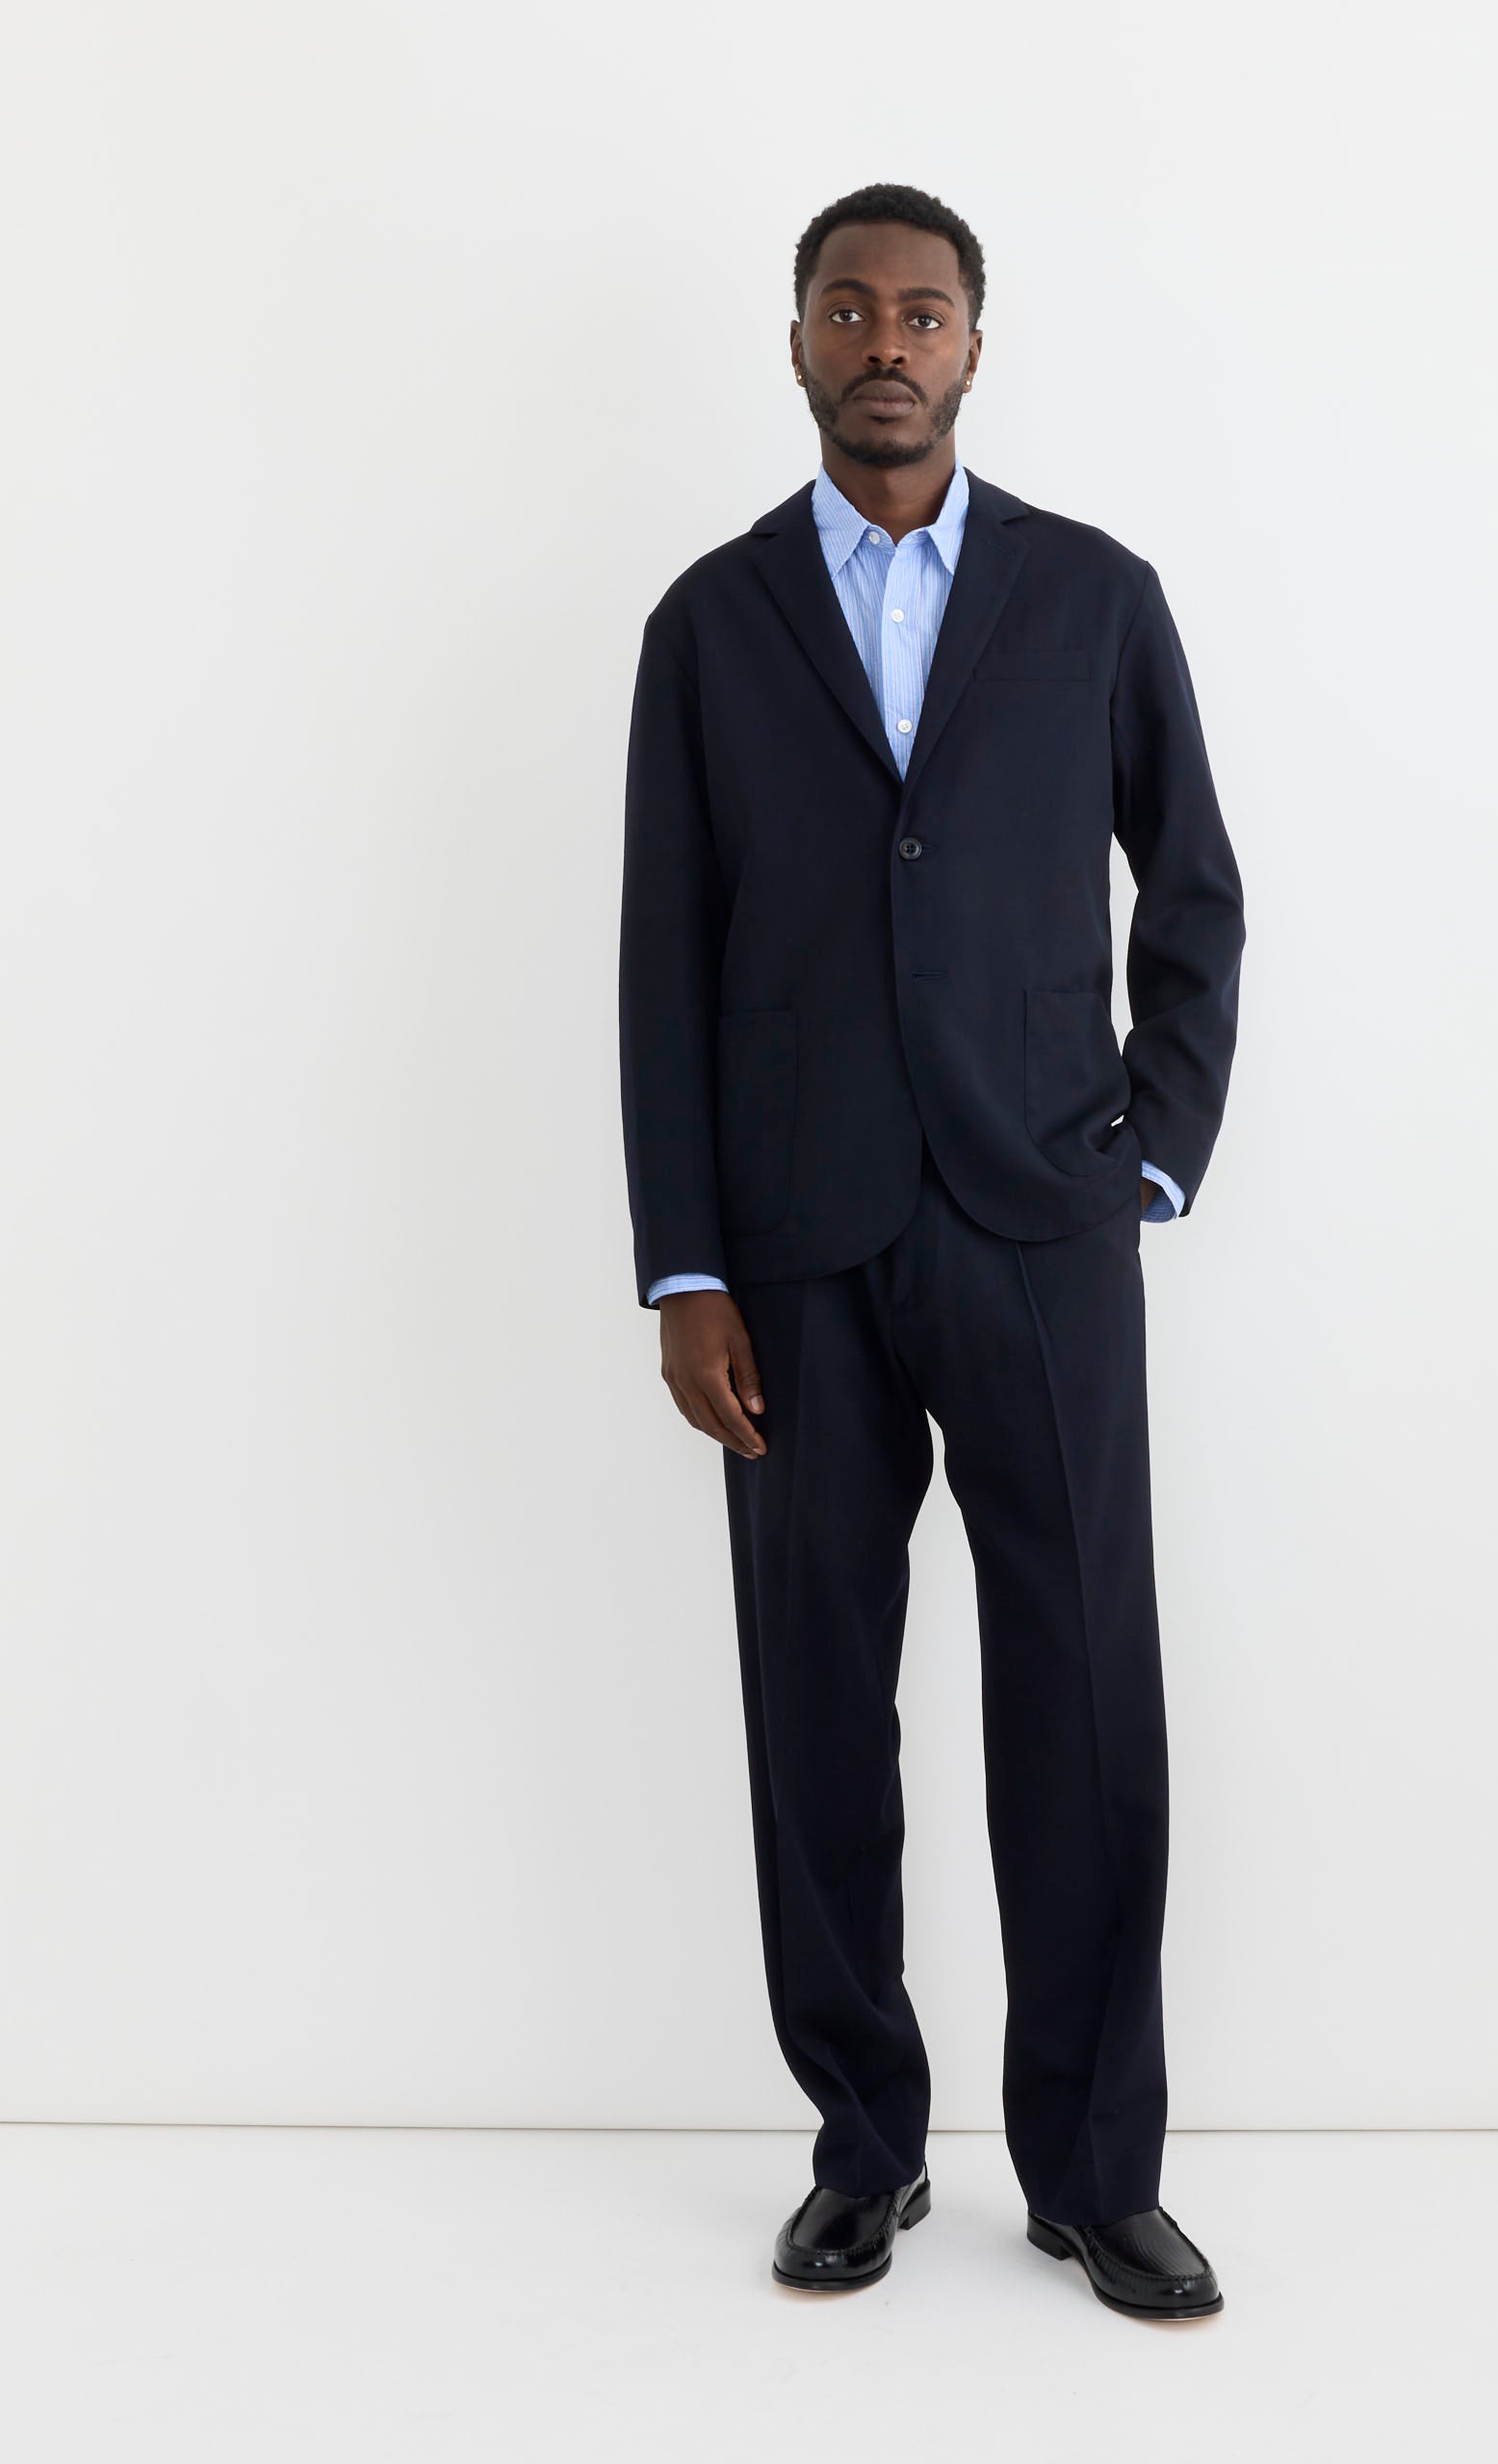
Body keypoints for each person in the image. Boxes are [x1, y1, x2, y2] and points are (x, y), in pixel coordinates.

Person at [617, 182, 1244, 2321]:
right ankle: (862, 2147)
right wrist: (681, 1263)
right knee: (814, 1707)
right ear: (795, 339)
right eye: (849, 307)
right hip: (791, 1253)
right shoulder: (707, 626)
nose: (887, 339)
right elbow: (661, 965)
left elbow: (1196, 892)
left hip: (1042, 1227)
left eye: (926, 311)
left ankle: (1092, 2166)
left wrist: (1145, 1156)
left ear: (977, 347)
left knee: (1084, 1701)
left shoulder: (1091, 597)